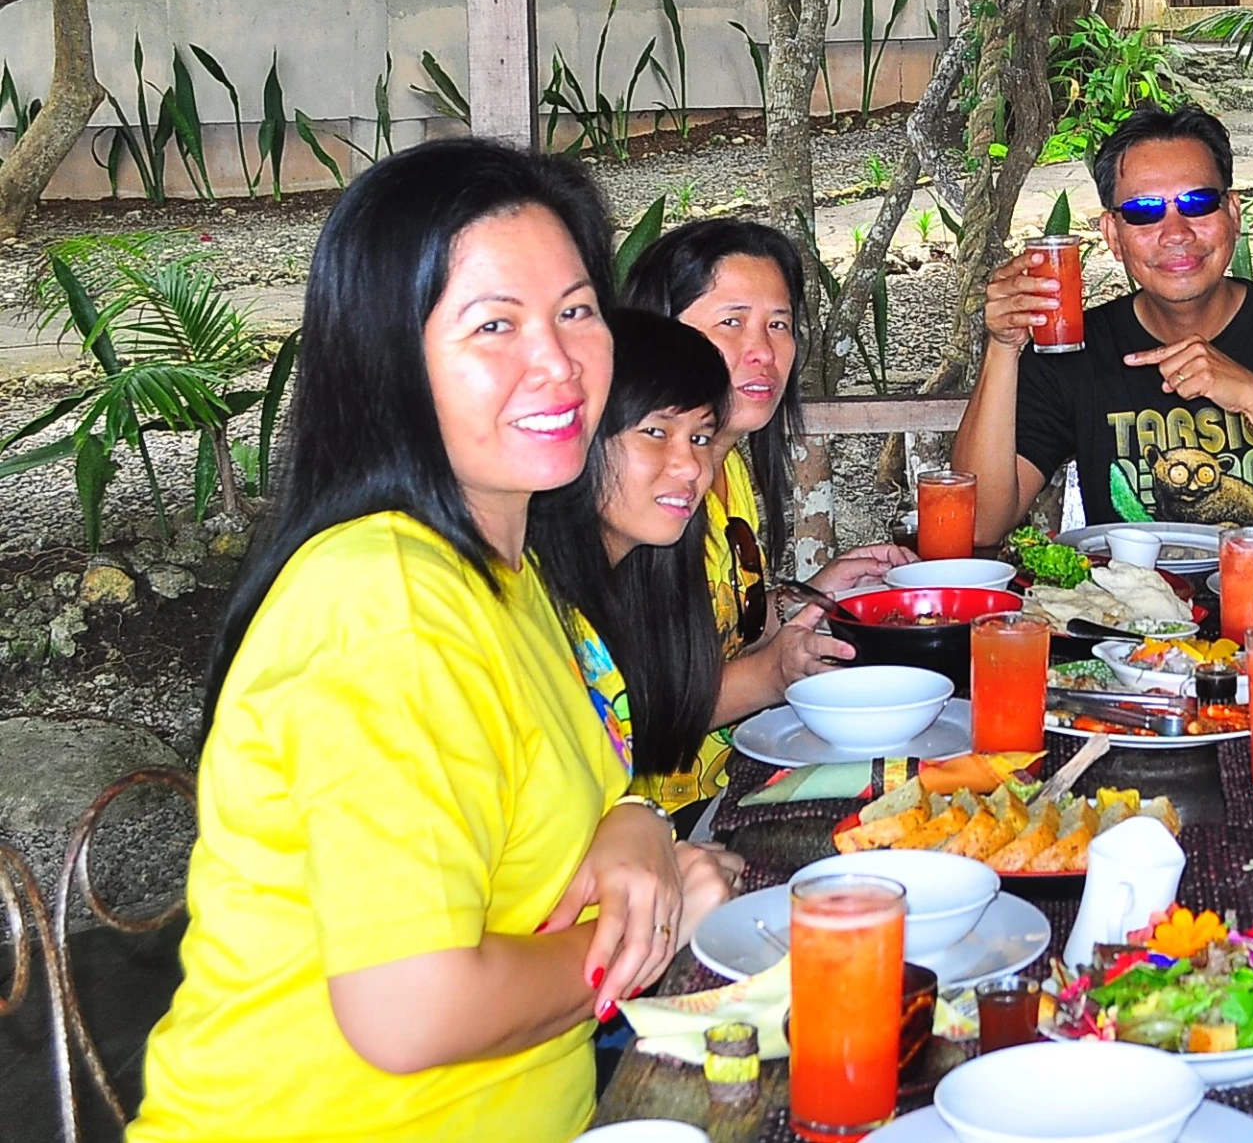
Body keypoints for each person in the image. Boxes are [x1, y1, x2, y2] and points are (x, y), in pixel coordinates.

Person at [131, 143, 734, 1143]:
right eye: (493, 323)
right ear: (389, 358)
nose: (557, 360)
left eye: (576, 310)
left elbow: (561, 776)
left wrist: (634, 823)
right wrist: (651, 928)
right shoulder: (385, 602)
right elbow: (413, 1010)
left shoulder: (512, 571)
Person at [953, 105, 1253, 542]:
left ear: (1233, 215)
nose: (1176, 232)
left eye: (1198, 203)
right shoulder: (1077, 353)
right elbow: (977, 525)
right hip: (1134, 611)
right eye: (1145, 211)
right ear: (1113, 236)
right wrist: (1003, 346)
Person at [622, 220, 913, 814]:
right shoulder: (637, 489)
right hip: (648, 820)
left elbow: (721, 637)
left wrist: (813, 598)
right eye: (732, 322)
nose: (763, 351)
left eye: (778, 324)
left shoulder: (724, 467)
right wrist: (773, 674)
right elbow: (635, 707)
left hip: (723, 783)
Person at [529, 309, 746, 797]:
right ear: (576, 431)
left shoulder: (646, 572)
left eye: (699, 437)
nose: (690, 466)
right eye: (655, 432)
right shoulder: (531, 603)